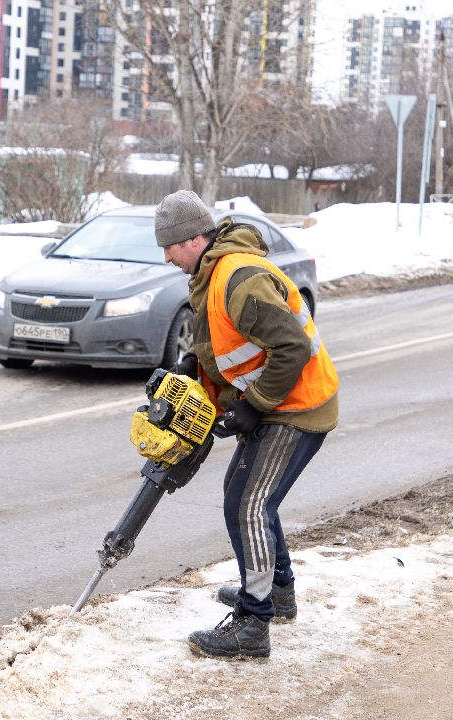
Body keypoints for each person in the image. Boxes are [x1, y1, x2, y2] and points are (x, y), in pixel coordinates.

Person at [156, 189, 339, 659]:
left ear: (194, 239)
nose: (166, 256)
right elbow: (223, 342)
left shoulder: (238, 279)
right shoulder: (212, 277)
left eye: (170, 246)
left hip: (298, 406)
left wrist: (254, 405)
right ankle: (276, 592)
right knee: (243, 496)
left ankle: (253, 624)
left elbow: (292, 348)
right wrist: (190, 368)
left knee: (250, 505)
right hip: (280, 402)